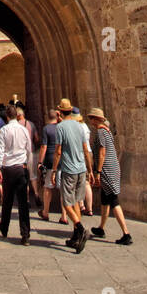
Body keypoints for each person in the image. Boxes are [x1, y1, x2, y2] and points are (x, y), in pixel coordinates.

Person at [52, 97, 93, 253]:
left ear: (60, 112)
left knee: (67, 203)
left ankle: (80, 228)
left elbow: (58, 151)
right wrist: (90, 169)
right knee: (76, 201)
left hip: (69, 169)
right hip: (81, 168)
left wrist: (54, 170)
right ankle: (76, 236)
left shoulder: (60, 127)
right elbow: (85, 148)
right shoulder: (80, 126)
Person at [87, 109, 132, 244]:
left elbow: (102, 152)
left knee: (113, 200)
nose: (90, 120)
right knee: (105, 199)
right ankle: (101, 228)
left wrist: (98, 172)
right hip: (113, 167)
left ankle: (126, 233)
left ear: (96, 119)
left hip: (107, 169)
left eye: (92, 118)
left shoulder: (101, 132)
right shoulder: (107, 131)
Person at [0, 104, 33, 243]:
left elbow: (0, 150)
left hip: (8, 169)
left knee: (7, 200)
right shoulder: (23, 130)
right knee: (23, 202)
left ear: (6, 116)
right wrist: (28, 166)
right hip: (20, 168)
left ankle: (4, 228)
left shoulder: (4, 130)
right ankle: (25, 235)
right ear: (17, 116)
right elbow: (29, 149)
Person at [16, 105, 40, 208]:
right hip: (31, 151)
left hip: (21, 153)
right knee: (33, 175)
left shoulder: (16, 126)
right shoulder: (31, 124)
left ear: (18, 115)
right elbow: (37, 138)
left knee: (24, 177)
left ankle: (27, 199)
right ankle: (36, 194)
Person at [38, 108, 60, 220]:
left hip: (50, 160)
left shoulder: (46, 129)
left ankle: (46, 212)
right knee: (63, 189)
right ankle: (65, 216)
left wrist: (40, 162)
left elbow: (44, 146)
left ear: (47, 117)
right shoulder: (62, 127)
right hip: (61, 160)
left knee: (47, 187)